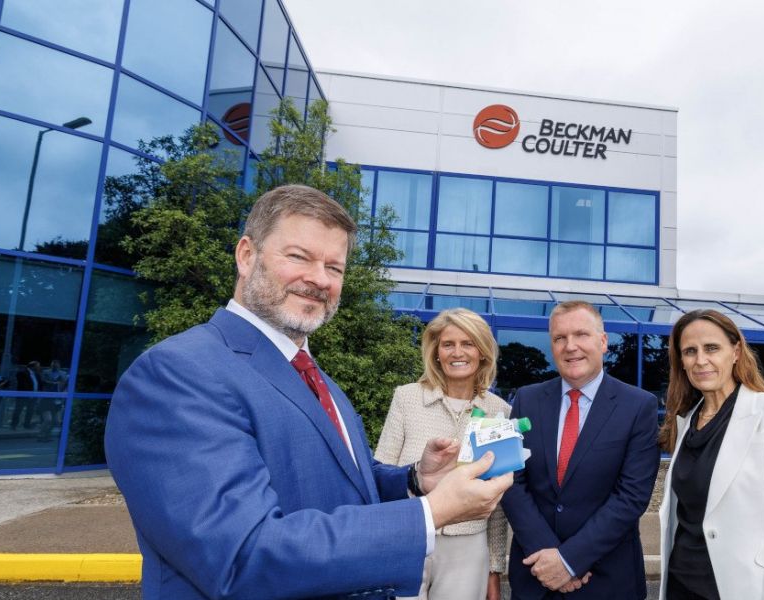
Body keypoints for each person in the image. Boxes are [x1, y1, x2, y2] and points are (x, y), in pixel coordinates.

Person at [105, 184, 513, 600]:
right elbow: (243, 557)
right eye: (299, 257)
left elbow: (341, 480)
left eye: (334, 268)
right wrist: (432, 512)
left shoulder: (317, 378)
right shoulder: (177, 373)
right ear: (246, 255)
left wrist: (415, 481)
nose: (318, 279)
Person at [501, 300, 659, 600]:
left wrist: (569, 560)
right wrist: (549, 558)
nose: (570, 346)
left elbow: (631, 497)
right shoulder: (526, 400)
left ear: (603, 342)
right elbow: (512, 481)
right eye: (559, 338)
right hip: (536, 575)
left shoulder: (639, 406)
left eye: (581, 335)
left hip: (607, 580)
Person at [657, 309, 764, 600]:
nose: (701, 360)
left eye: (712, 348)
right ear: (681, 362)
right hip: (680, 586)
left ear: (736, 351)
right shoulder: (685, 421)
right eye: (690, 351)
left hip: (740, 588)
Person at [376, 308, 511, 600]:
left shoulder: (499, 411)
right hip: (408, 537)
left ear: (483, 352)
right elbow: (382, 472)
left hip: (467, 547)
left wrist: (495, 568)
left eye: (468, 343)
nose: (457, 352)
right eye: (448, 344)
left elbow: (498, 501)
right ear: (436, 352)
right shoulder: (407, 397)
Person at [37, 360, 67, 442]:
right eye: (53, 365)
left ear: (59, 366)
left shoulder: (63, 374)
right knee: (48, 419)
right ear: (51, 365)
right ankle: (40, 435)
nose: (55, 366)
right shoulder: (46, 372)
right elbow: (43, 381)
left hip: (57, 399)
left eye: (56, 365)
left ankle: (47, 434)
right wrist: (53, 383)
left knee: (56, 421)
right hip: (47, 399)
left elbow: (64, 384)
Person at [10, 361, 40, 430]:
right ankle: (13, 425)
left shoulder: (36, 374)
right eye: (37, 366)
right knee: (18, 410)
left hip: (33, 396)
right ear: (33, 366)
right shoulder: (22, 373)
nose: (39, 367)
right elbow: (22, 384)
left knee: (30, 411)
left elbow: (39, 384)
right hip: (24, 396)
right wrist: (28, 393)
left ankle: (27, 424)